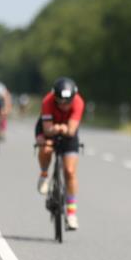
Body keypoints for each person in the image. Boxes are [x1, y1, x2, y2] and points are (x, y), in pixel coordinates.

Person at [35, 77, 85, 229]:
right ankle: (44, 174)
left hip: (69, 133)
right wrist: (54, 130)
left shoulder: (78, 102)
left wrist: (64, 128)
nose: (64, 105)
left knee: (69, 171)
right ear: (54, 97)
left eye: (67, 102)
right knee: (46, 148)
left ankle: (71, 214)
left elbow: (70, 130)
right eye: (60, 102)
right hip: (47, 128)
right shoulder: (47, 101)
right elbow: (47, 128)